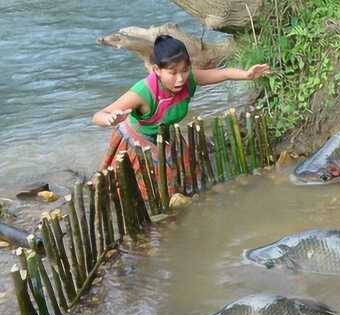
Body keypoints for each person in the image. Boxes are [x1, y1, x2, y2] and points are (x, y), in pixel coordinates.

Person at [93, 34, 269, 196]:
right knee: (146, 193)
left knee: (191, 180)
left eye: (184, 70)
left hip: (164, 136)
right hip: (137, 141)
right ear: (157, 70)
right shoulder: (143, 92)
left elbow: (221, 73)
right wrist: (109, 119)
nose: (180, 79)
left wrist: (247, 75)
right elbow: (98, 115)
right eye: (172, 72)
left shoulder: (189, 79)